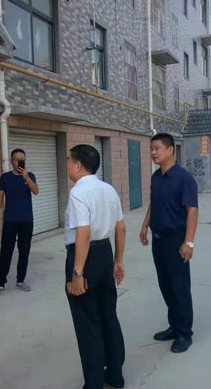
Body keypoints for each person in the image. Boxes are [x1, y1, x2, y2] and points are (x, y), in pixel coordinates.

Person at [65, 144, 126, 389]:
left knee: (88, 323)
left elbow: (84, 232)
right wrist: (118, 261)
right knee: (109, 316)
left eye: (69, 161)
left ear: (78, 165)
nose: (67, 165)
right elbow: (120, 228)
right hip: (105, 254)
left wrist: (77, 272)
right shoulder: (109, 189)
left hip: (84, 257)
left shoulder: (78, 192)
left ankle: (93, 383)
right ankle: (115, 376)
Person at [139, 133, 199, 353]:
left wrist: (189, 243)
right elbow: (153, 203)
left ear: (170, 150)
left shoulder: (184, 178)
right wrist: (145, 225)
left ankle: (184, 334)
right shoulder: (156, 177)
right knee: (166, 286)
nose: (153, 153)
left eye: (157, 148)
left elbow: (192, 210)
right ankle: (174, 326)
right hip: (158, 240)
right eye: (151, 149)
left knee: (179, 288)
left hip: (176, 240)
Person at [0, 148, 39, 297]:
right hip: (10, 220)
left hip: (26, 220)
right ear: (12, 161)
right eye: (17, 160)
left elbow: (36, 191)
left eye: (22, 160)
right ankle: (0, 283)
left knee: (24, 251)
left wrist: (26, 177)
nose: (19, 162)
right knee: (6, 252)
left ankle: (20, 280)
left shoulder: (30, 175)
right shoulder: (5, 177)